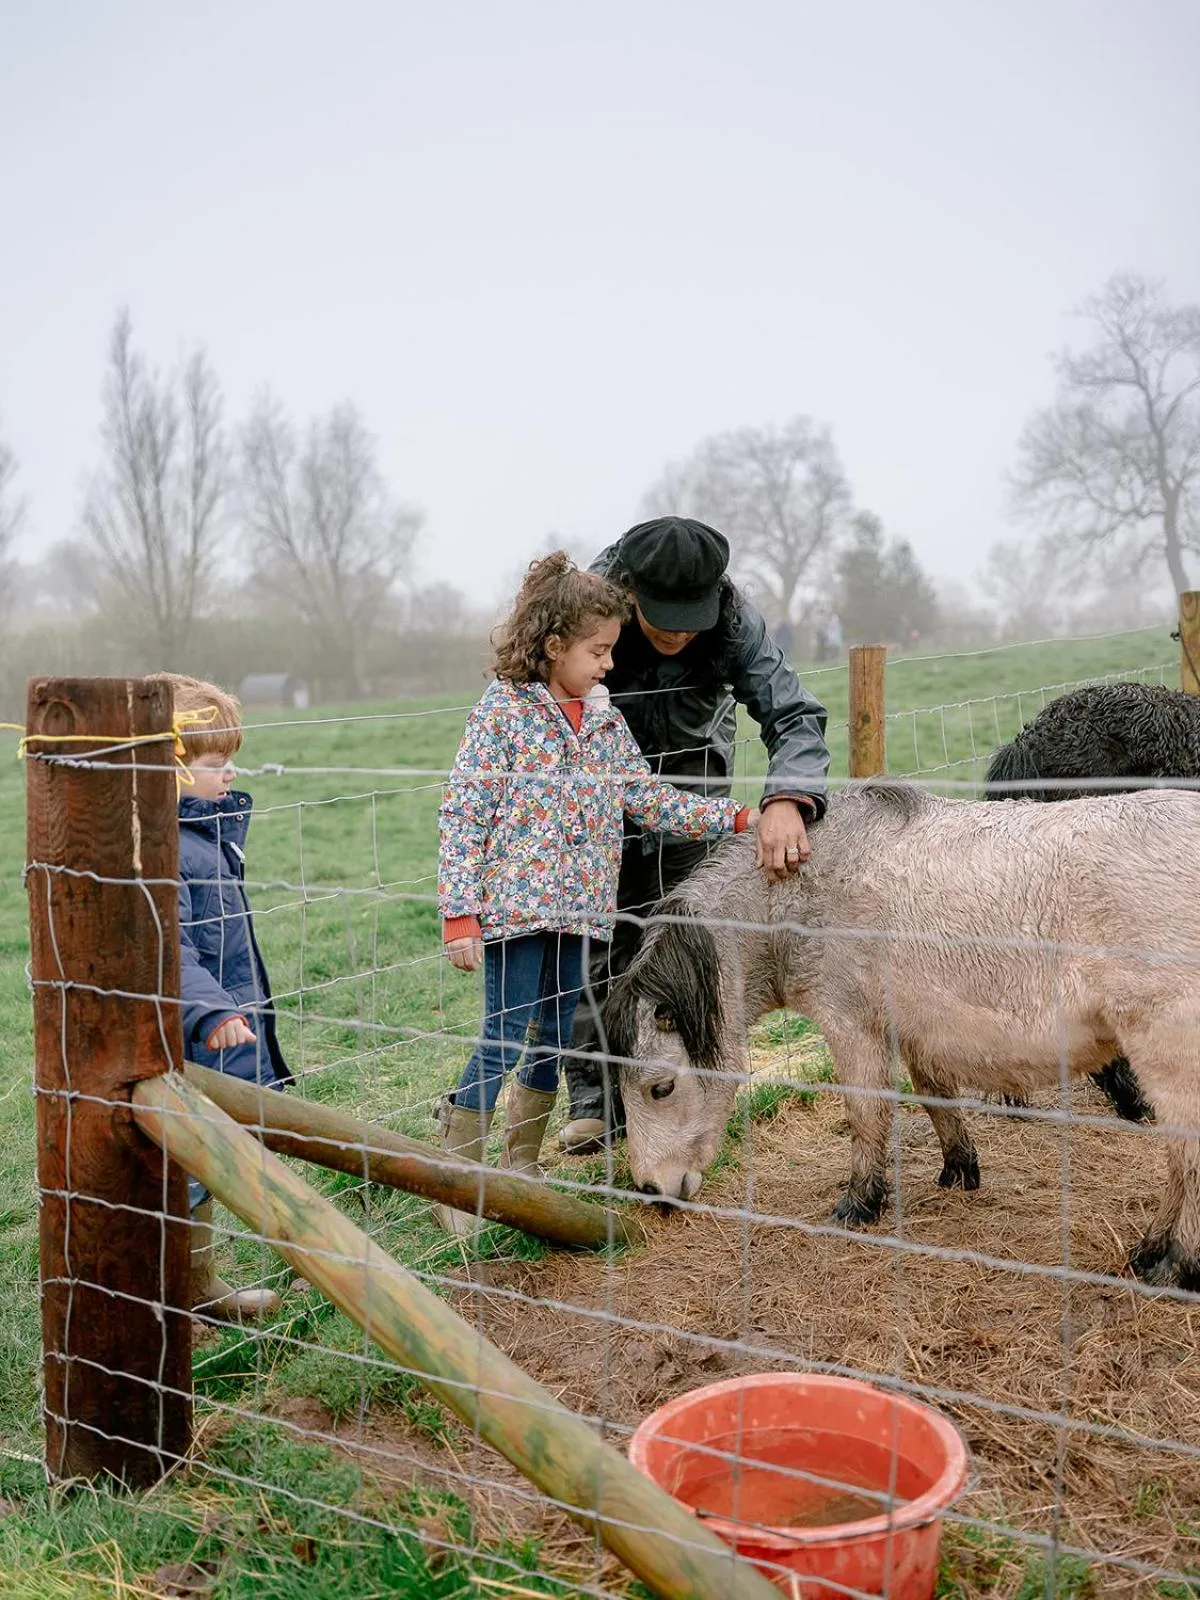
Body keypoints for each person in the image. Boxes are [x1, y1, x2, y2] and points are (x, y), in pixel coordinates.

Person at [435, 552, 758, 1233]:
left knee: (553, 1038)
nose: (609, 663)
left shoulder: (606, 723)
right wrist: (460, 911)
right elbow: (465, 810)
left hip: (580, 914)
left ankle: (520, 1171)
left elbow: (647, 801)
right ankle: (459, 1183)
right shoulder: (505, 714)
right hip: (515, 913)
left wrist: (730, 817)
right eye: (598, 650)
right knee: (501, 1037)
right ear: (554, 647)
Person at [559, 516, 830, 1155]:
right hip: (596, 800)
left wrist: (788, 796)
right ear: (628, 594)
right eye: (663, 617)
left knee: (681, 949)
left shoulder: (734, 620)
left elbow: (793, 713)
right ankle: (596, 1101)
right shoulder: (587, 607)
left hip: (692, 800)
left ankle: (686, 1099)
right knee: (596, 943)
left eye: (693, 616)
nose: (680, 629)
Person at [166, 673, 292, 1320]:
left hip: (226, 1037)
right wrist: (211, 1011)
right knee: (189, 1164)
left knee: (214, 1159)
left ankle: (200, 1285)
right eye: (215, 764)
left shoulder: (204, 837)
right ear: (167, 769)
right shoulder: (167, 850)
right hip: (194, 1040)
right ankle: (178, 1295)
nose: (230, 773)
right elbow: (171, 949)